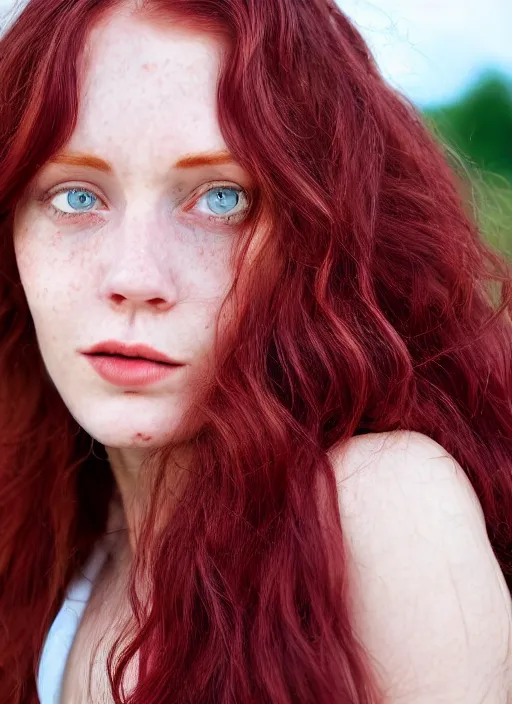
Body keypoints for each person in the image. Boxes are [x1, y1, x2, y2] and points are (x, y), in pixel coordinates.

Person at [0, 0, 511, 701]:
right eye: (75, 197)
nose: (135, 278)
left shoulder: (377, 508)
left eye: (220, 200)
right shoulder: (67, 529)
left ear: (317, 236)